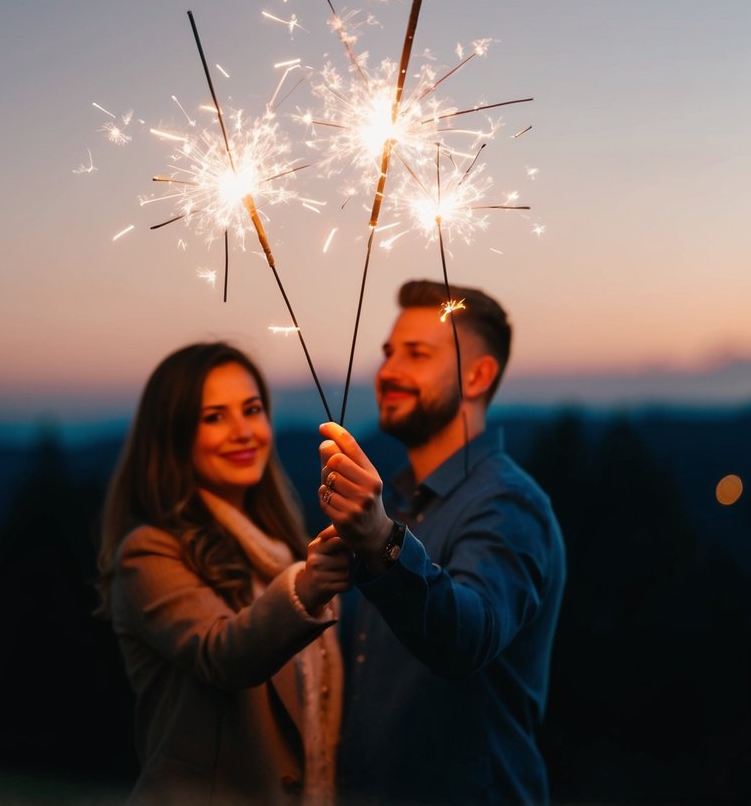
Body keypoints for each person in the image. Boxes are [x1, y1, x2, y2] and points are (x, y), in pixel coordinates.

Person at [318, 280, 566, 806]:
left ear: (478, 375)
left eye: (416, 353)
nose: (387, 372)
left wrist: (383, 543)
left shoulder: (509, 504)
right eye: (387, 353)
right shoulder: (398, 502)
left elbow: (467, 640)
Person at [97, 342, 350, 806]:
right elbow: (223, 653)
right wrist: (307, 587)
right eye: (214, 417)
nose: (242, 432)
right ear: (172, 435)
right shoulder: (149, 554)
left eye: (252, 410)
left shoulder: (281, 549)